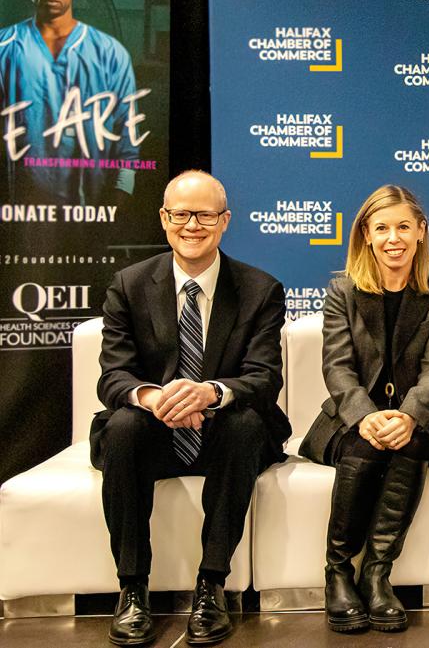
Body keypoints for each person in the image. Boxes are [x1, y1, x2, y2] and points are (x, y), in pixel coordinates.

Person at [90, 170, 290, 646]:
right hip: (156, 432)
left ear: (224, 221)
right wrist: (157, 398)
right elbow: (113, 375)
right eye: (181, 214)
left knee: (244, 423)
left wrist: (211, 393)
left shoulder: (260, 290)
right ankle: (132, 589)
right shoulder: (129, 284)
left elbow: (264, 377)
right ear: (164, 219)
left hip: (224, 435)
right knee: (121, 426)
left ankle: (211, 585)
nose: (192, 225)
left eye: (204, 215)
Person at [298, 185, 429, 633]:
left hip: (419, 418)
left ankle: (376, 575)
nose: (394, 238)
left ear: (421, 233)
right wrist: (366, 415)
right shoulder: (342, 292)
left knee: (409, 447)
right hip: (350, 417)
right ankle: (338, 570)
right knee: (366, 448)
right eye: (382, 227)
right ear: (366, 235)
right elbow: (337, 367)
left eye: (404, 226)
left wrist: (408, 416)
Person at [0, 0, 141, 205]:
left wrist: (123, 188)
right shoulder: (5, 46)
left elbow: (127, 126)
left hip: (89, 204)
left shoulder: (108, 52)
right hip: (19, 205)